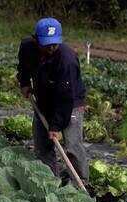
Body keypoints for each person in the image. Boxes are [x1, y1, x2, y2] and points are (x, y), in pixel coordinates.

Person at [16, 17, 88, 183]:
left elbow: (65, 98)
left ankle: (81, 183)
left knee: (72, 145)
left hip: (70, 103)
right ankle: (49, 181)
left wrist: (55, 126)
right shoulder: (27, 47)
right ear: (36, 40)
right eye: (46, 43)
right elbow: (24, 65)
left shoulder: (66, 59)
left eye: (55, 43)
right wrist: (25, 82)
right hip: (44, 100)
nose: (51, 47)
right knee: (42, 145)